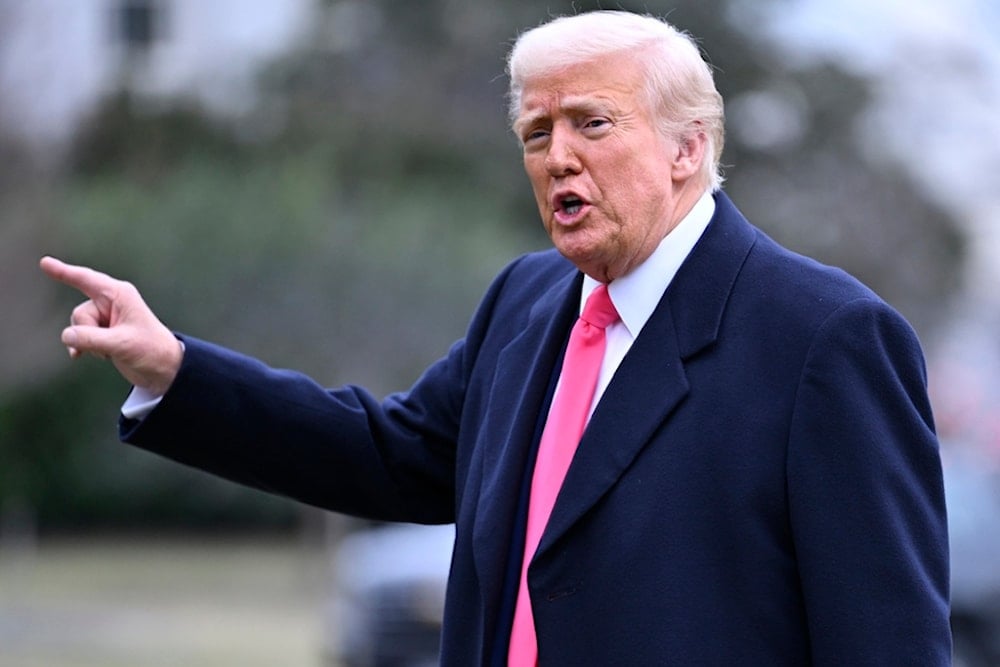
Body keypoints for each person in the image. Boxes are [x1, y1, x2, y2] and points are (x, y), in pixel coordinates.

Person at [40, 10, 951, 666]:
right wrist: (177, 373)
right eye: (536, 131)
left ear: (689, 148)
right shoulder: (527, 299)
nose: (559, 155)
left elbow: (888, 639)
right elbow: (389, 454)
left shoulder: (826, 337)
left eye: (592, 123)